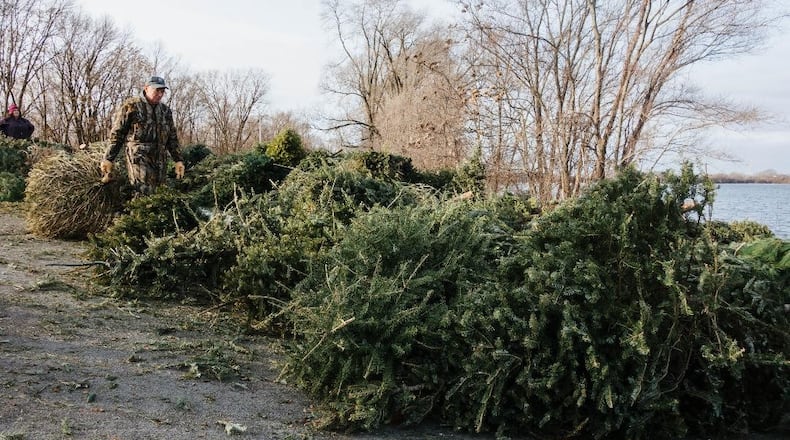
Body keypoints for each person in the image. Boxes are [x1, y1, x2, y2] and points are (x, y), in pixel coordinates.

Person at [100, 76, 185, 195]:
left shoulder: (165, 111)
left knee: (159, 195)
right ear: (146, 88)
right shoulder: (132, 106)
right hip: (139, 159)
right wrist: (108, 158)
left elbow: (172, 138)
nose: (160, 94)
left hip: (160, 161)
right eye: (157, 90)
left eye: (162, 91)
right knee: (142, 194)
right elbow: (118, 134)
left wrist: (178, 160)